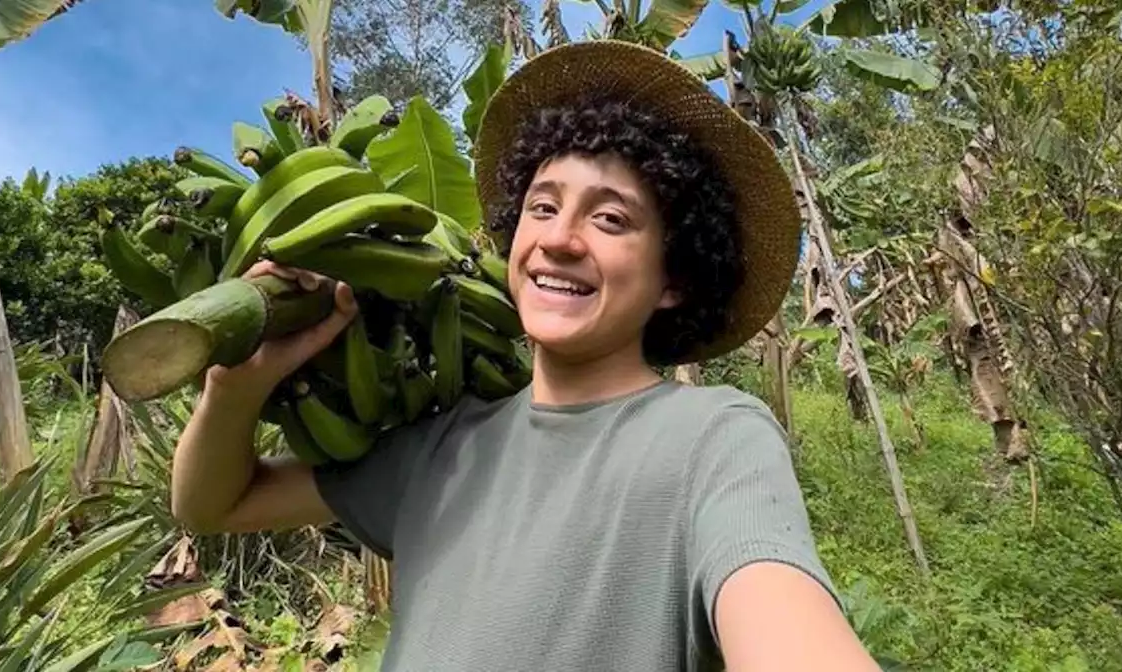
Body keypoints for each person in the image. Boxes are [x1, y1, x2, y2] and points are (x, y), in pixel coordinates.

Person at [171, 40, 879, 671]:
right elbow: (213, 506)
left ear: (675, 280)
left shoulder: (714, 439)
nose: (560, 239)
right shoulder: (439, 448)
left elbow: (782, 618)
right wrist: (237, 387)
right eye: (542, 208)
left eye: (610, 219)